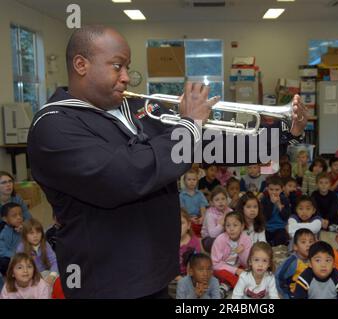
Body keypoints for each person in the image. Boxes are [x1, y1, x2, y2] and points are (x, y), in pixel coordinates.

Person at [27, 25, 308, 298]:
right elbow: (123, 175)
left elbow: (207, 146)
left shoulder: (137, 107)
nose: (126, 77)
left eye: (128, 67)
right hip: (106, 280)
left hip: (156, 270)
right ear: (81, 64)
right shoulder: (54, 126)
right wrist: (189, 125)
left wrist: (285, 135)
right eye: (117, 66)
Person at [211, 212, 252, 298]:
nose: (231, 229)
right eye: (228, 225)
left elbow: (247, 263)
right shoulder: (220, 239)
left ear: (242, 226)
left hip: (238, 266)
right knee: (223, 274)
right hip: (221, 268)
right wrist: (235, 270)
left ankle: (224, 287)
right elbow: (215, 264)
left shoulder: (246, 239)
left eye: (235, 225)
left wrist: (242, 252)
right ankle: (242, 287)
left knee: (250, 270)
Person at [16, 218, 59, 286]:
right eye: (31, 233)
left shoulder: (45, 244)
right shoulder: (21, 249)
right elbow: (20, 268)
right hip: (30, 277)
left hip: (46, 273)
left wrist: (52, 275)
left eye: (38, 232)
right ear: (25, 235)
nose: (35, 236)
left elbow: (54, 261)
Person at [275, 228, 315, 299]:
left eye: (311, 242)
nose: (308, 245)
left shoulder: (314, 260)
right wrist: (285, 295)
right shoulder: (292, 262)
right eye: (303, 242)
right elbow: (278, 277)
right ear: (295, 247)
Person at [201, 186, 232, 253]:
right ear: (212, 202)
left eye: (223, 199)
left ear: (227, 200)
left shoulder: (230, 211)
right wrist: (221, 224)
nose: (220, 202)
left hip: (226, 236)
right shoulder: (210, 214)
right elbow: (212, 234)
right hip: (209, 238)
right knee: (213, 243)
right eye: (217, 200)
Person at [261, 176, 291, 246]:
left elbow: (286, 217)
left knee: (282, 237)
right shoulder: (264, 200)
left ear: (282, 189)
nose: (274, 192)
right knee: (263, 240)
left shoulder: (285, 200)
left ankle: (275, 245)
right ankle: (270, 244)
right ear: (267, 189)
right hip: (267, 228)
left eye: (277, 190)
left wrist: (279, 205)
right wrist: (271, 203)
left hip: (280, 228)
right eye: (271, 189)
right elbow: (265, 217)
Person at [179, 169, 208, 237]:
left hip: (198, 218)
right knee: (187, 226)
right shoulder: (182, 195)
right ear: (184, 181)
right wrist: (189, 218)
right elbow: (183, 210)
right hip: (187, 218)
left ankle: (202, 238)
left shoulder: (200, 194)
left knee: (206, 223)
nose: (192, 182)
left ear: (197, 181)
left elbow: (203, 207)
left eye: (194, 179)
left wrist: (202, 217)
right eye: (189, 179)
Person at [0, 203, 24, 276]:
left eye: (20, 214)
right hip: (8, 258)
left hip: (20, 255)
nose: (19, 217)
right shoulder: (3, 232)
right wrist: (16, 256)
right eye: (14, 216)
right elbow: (2, 251)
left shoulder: (22, 227)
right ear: (5, 219)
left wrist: (24, 231)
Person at [178, 209, 202, 279]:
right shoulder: (168, 242)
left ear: (188, 225)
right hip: (172, 275)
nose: (178, 226)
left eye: (181, 223)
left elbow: (196, 262)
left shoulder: (194, 241)